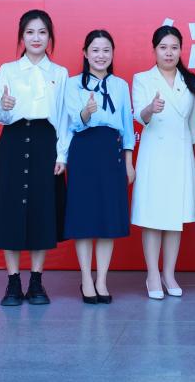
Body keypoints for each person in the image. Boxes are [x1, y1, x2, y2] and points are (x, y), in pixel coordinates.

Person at [0, 9, 69, 306]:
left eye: (42, 32)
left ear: (50, 37)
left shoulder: (59, 73)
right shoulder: (8, 70)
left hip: (45, 143)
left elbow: (64, 118)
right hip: (13, 143)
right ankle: (13, 282)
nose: (36, 38)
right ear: (21, 37)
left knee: (42, 211)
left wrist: (62, 154)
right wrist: (4, 106)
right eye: (30, 32)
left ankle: (37, 281)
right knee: (10, 212)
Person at [131, 25, 195, 299]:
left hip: (181, 156)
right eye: (163, 47)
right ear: (154, 50)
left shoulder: (191, 82)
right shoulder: (143, 79)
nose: (169, 53)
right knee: (153, 217)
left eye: (174, 47)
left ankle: (169, 273)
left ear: (181, 50)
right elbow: (140, 117)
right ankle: (152, 274)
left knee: (175, 217)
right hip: (154, 155)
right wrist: (151, 108)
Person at [61, 30, 135, 304]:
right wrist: (86, 112)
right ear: (85, 53)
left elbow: (127, 126)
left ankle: (102, 279)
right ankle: (86, 279)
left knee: (107, 219)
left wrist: (129, 162)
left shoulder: (120, 85)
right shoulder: (72, 84)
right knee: (84, 218)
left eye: (106, 50)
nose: (100, 55)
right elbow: (73, 122)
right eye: (95, 50)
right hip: (83, 150)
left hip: (111, 151)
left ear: (112, 54)